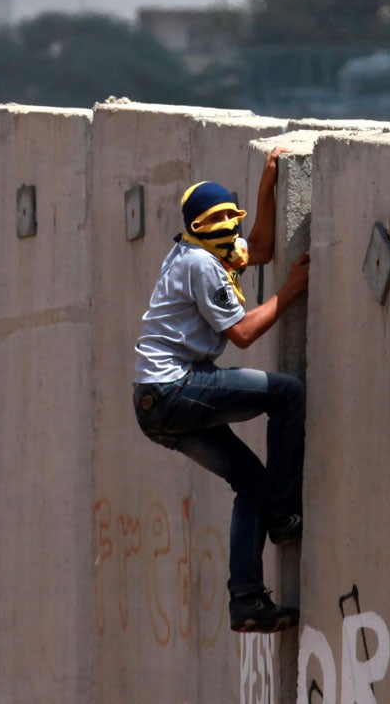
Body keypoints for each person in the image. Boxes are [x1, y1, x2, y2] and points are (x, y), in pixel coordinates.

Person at [131, 148, 310, 633]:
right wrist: (290, 290)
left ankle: (248, 601)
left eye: (232, 218)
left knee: (249, 483)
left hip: (156, 403)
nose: (230, 228)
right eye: (221, 220)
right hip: (176, 388)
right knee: (288, 394)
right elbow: (244, 334)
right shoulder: (202, 265)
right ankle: (284, 515)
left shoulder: (204, 250)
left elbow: (261, 248)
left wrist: (267, 188)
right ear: (200, 224)